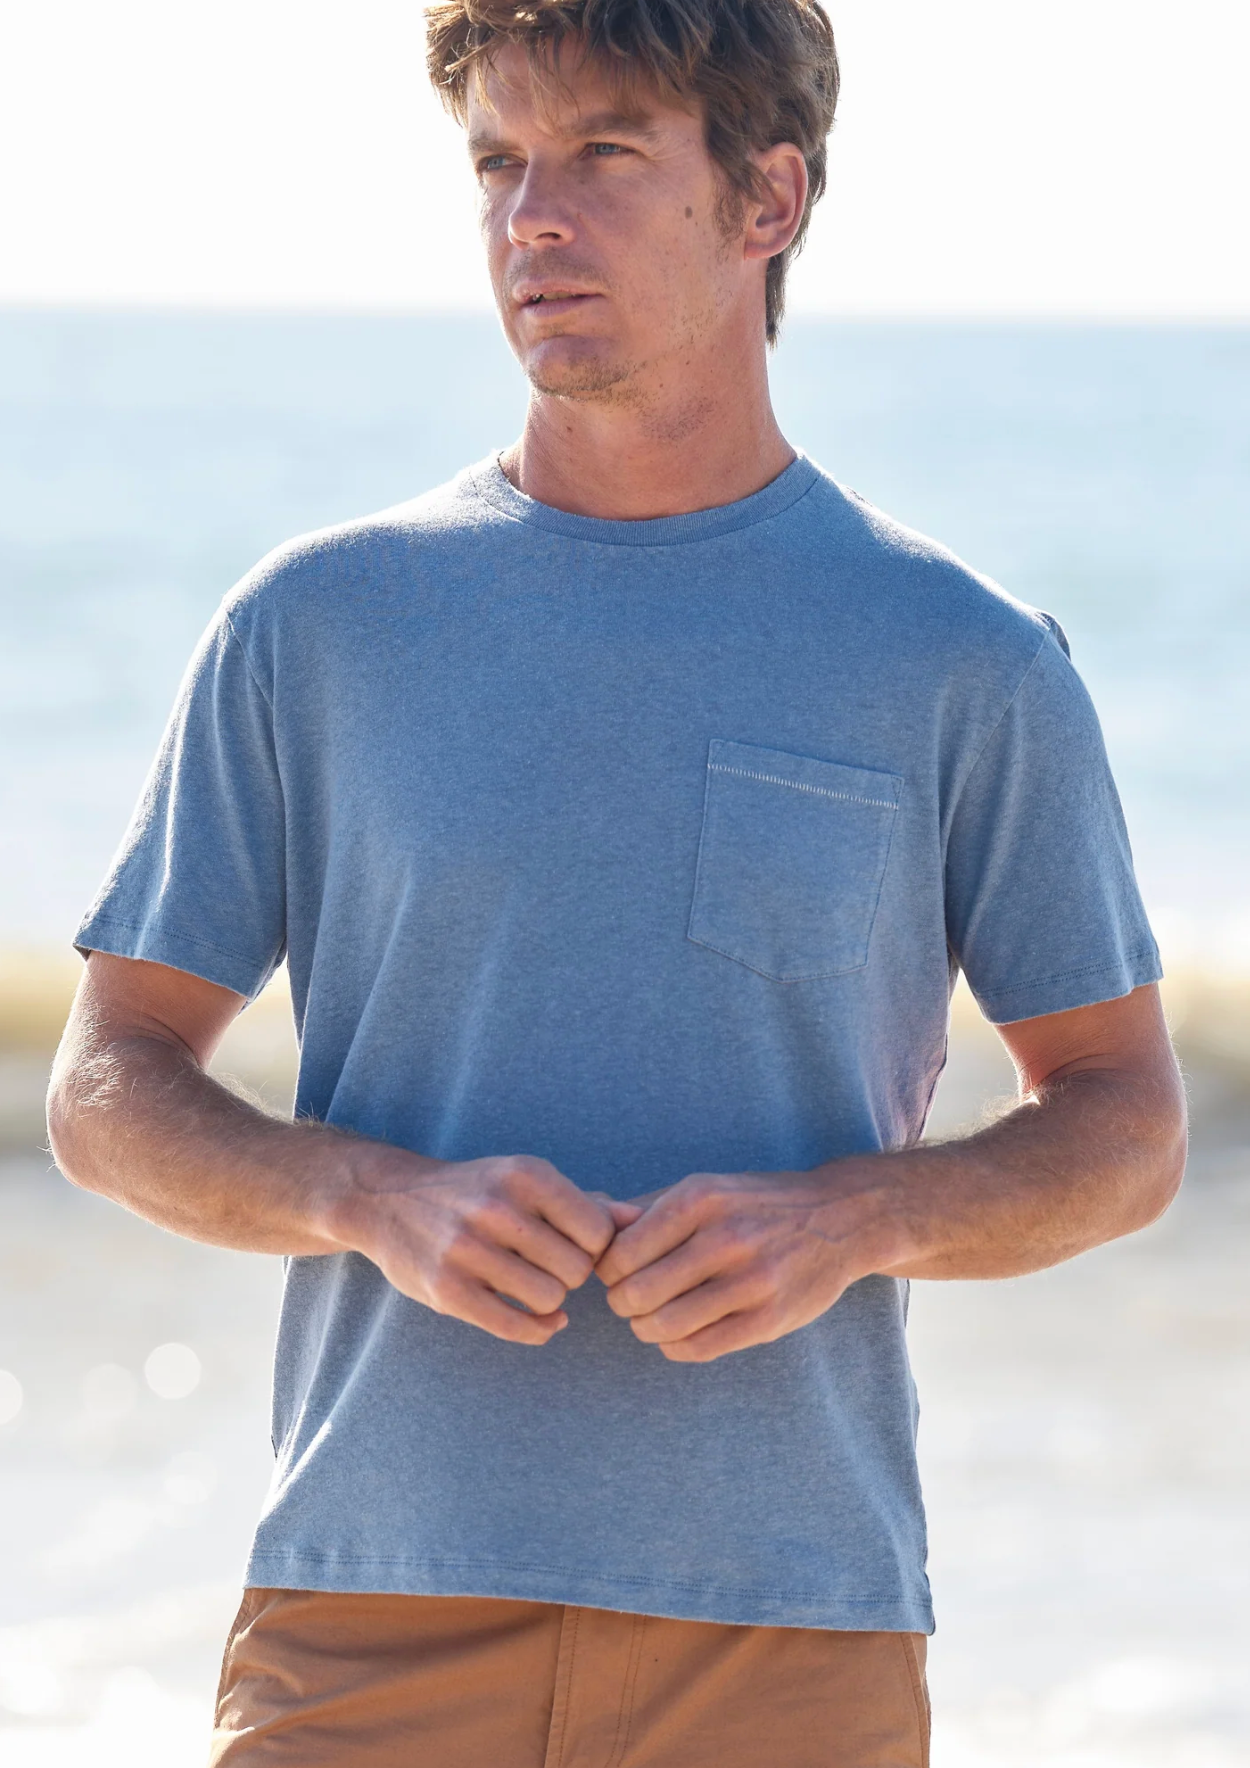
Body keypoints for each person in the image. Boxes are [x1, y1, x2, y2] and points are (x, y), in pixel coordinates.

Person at [48, 1, 1187, 1762]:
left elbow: (1124, 1123)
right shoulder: (320, 624)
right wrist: (370, 1197)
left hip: (785, 1628)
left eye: (601, 155)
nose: (532, 219)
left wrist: (850, 1219)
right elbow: (107, 1083)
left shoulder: (962, 659)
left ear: (766, 201)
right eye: (498, 163)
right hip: (370, 1609)